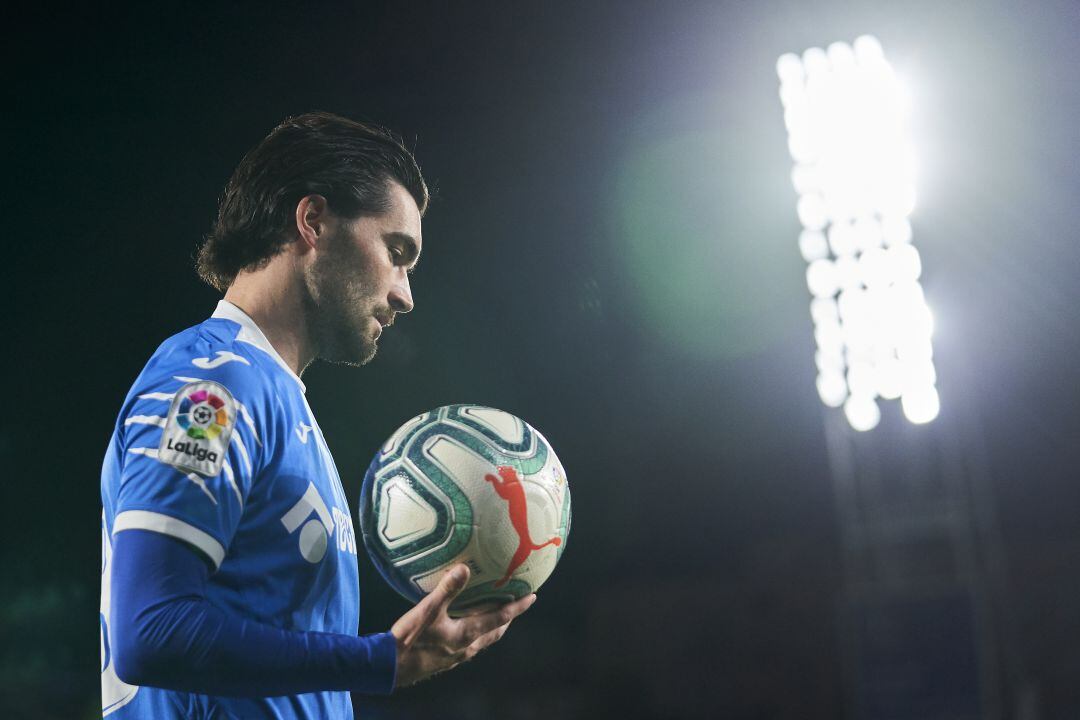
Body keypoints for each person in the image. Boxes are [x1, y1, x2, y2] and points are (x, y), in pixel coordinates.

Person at [99, 111, 535, 719]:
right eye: (396, 251)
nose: (406, 293)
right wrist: (379, 661)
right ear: (314, 221)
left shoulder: (280, 400)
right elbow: (150, 632)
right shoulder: (212, 385)